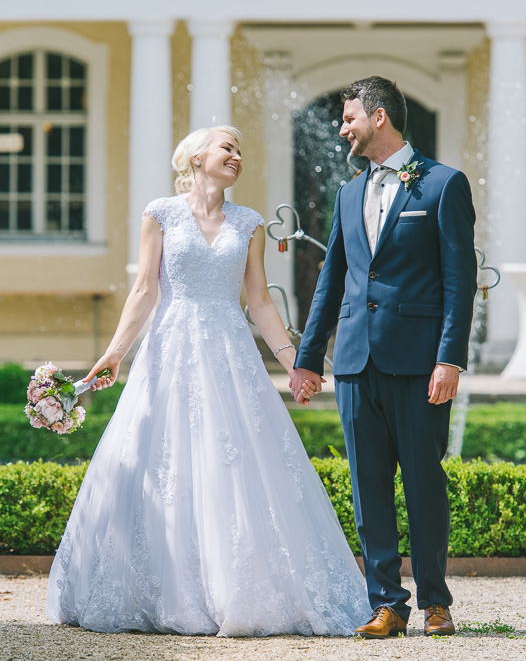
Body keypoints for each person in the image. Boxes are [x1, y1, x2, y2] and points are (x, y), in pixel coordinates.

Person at [45, 125, 372, 637]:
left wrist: (293, 361)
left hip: (229, 351)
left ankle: (236, 589)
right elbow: (143, 290)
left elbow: (259, 301)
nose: (236, 156)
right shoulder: (160, 213)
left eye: (240, 150)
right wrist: (113, 354)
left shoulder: (249, 223)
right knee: (161, 459)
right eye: (227, 147)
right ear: (196, 158)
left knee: (236, 461)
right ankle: (162, 587)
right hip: (169, 349)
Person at [290, 77, 478, 639]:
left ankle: (435, 603)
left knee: (424, 482)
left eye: (349, 119)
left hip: (419, 362)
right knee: (367, 487)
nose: (342, 128)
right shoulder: (349, 193)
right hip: (354, 361)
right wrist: (307, 359)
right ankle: (387, 604)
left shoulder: (443, 185)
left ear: (378, 118)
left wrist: (450, 358)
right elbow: (332, 280)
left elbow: (458, 280)